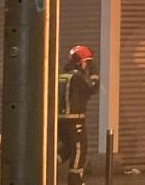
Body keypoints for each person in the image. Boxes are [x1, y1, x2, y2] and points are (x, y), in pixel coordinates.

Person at [58, 45, 100, 185]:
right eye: (86, 62)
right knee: (79, 148)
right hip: (75, 121)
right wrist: (95, 74)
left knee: (68, 149)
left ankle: (47, 164)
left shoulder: (62, 76)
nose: (86, 65)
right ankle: (75, 180)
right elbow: (92, 88)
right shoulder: (77, 77)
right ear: (79, 61)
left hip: (61, 121)